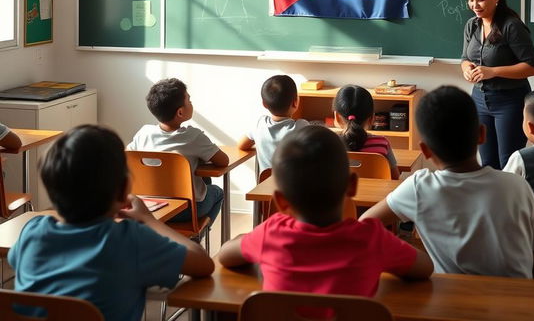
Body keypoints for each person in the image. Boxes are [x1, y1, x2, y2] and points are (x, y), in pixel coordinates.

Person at [8, 125, 213, 321]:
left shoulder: (32, 232)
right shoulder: (130, 240)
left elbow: (15, 262)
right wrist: (149, 220)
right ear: (124, 189)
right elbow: (203, 264)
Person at [360, 86, 534, 279]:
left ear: (425, 150)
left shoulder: (419, 187)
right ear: (482, 134)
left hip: (449, 304)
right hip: (516, 305)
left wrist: (408, 255)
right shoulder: (517, 186)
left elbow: (363, 226)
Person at [218, 125, 432, 294]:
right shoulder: (371, 238)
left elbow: (225, 255)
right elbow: (424, 268)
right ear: (352, 186)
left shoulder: (272, 233)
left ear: (281, 202)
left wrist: (250, 237)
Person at [460, 0, 534, 169]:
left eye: (480, 0)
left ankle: (510, 201)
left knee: (509, 164)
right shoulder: (472, 25)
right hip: (479, 100)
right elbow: (464, 58)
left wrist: (493, 71)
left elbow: (532, 66)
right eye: (470, 0)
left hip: (510, 102)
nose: (474, 6)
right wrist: (466, 68)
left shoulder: (511, 26)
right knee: (487, 165)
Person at [128, 78, 228, 225]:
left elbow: (127, 156)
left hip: (150, 208)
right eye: (189, 100)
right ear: (180, 112)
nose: (191, 103)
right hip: (186, 210)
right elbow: (223, 161)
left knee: (204, 182)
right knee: (218, 192)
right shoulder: (193, 137)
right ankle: (196, 236)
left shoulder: (143, 133)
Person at [238, 74, 309, 173]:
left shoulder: (259, 124)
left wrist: (262, 143)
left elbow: (241, 145)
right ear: (295, 102)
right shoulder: (301, 126)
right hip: (292, 187)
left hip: (264, 186)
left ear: (264, 104)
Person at [333, 84, 400, 179]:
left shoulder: (328, 144)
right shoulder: (382, 143)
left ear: (336, 117)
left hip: (339, 194)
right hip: (376, 194)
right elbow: (395, 179)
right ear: (372, 118)